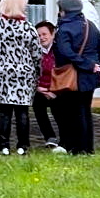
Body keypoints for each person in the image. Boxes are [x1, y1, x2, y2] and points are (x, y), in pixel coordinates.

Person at [0, 0, 45, 156]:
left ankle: (3, 145)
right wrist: (37, 73)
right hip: (24, 73)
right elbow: (37, 54)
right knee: (22, 111)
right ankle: (22, 146)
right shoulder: (28, 27)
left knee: (4, 111)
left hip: (2, 73)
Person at [52, 0, 100, 155]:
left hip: (73, 75)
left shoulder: (64, 29)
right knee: (85, 110)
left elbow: (65, 52)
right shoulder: (89, 25)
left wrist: (86, 64)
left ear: (63, 11)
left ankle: (77, 148)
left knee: (73, 112)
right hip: (89, 77)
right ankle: (88, 147)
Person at [33, 21, 65, 152]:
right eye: (39, 35)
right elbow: (30, 72)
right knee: (38, 107)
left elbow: (64, 72)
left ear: (52, 35)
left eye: (44, 34)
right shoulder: (34, 51)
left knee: (59, 110)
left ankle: (64, 139)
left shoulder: (60, 51)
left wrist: (54, 90)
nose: (42, 38)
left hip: (57, 89)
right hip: (40, 89)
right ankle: (50, 137)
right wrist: (38, 88)